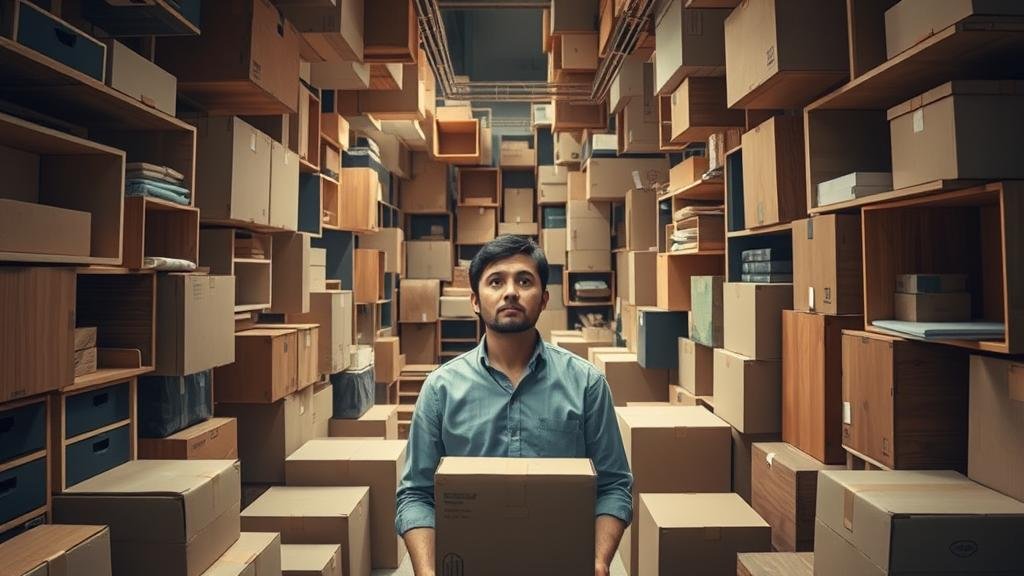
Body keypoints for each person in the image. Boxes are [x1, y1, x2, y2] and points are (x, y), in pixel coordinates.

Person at [395, 234, 633, 576]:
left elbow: (614, 486)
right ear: (476, 300)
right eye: (496, 281)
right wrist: (428, 570)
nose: (510, 292)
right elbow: (416, 495)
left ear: (544, 299)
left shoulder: (586, 384)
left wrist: (597, 561)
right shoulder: (440, 389)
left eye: (524, 281)